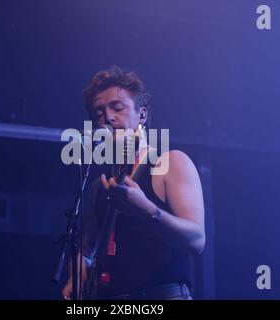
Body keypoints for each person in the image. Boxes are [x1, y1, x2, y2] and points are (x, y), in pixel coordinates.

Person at [62, 65, 205, 300]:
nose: (107, 117)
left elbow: (196, 240)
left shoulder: (170, 164)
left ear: (142, 115)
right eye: (98, 113)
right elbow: (87, 251)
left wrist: (147, 210)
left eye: (116, 108)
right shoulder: (100, 186)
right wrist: (76, 275)